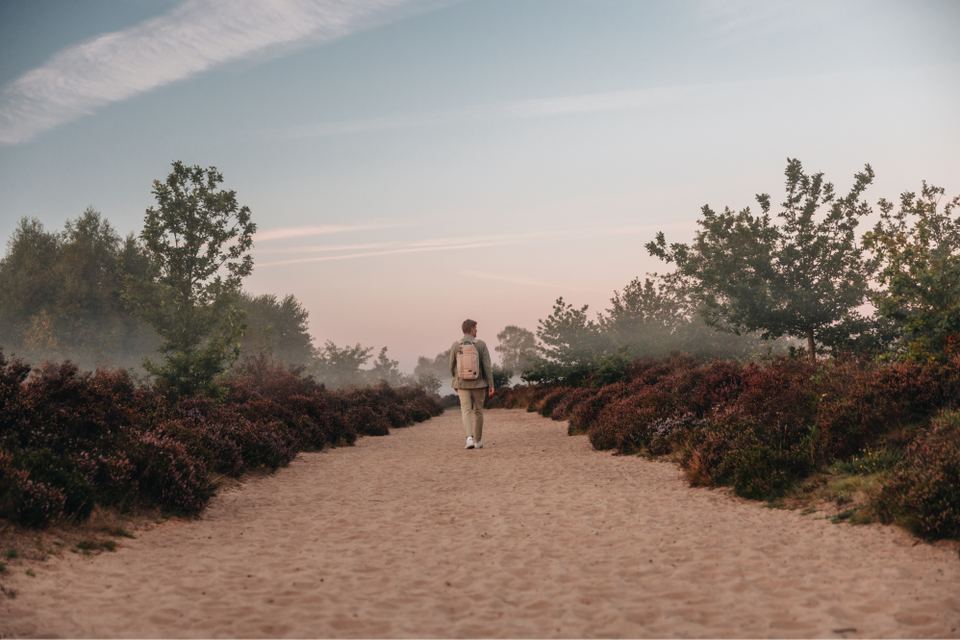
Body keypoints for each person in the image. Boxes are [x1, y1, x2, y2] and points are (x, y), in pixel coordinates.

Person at [449, 318, 494, 450]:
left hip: (462, 383)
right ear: (472, 329)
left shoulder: (455, 345)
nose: (477, 330)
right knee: (478, 411)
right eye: (476, 328)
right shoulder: (481, 345)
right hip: (479, 383)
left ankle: (469, 438)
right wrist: (491, 384)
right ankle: (477, 441)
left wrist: (454, 382)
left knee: (465, 411)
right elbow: (487, 366)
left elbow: (451, 365)